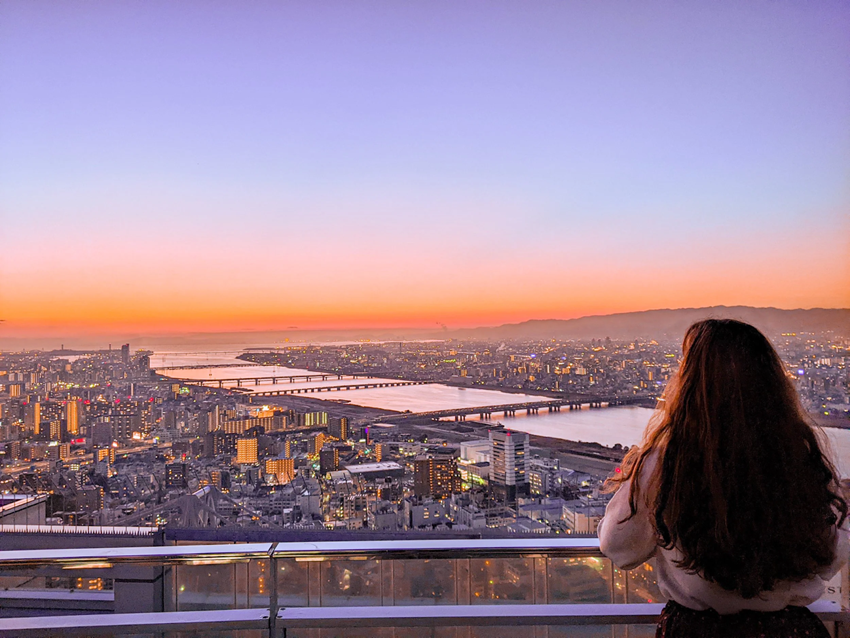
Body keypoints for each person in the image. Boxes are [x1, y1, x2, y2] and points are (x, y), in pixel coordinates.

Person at [597, 319, 848, 638]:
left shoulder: (666, 462)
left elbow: (618, 547)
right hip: (789, 630)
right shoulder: (801, 457)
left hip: (696, 631)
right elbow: (827, 559)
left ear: (689, 383)